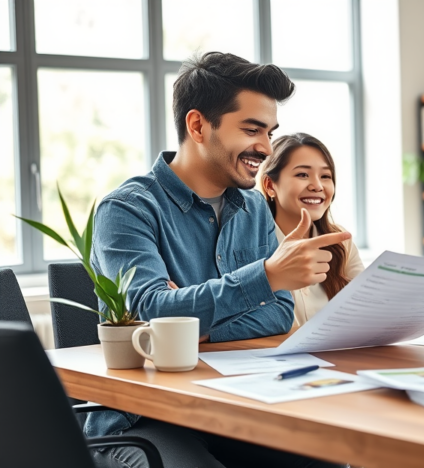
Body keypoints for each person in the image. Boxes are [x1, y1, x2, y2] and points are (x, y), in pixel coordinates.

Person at [88, 52, 348, 468]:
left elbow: (279, 314)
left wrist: (189, 325)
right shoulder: (127, 209)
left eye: (269, 131)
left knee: (323, 458)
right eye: (251, 129)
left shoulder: (253, 208)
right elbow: (149, 317)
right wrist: (264, 278)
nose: (265, 147)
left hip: (230, 399)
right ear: (197, 126)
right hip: (143, 416)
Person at [257, 133, 424, 328]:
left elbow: (381, 305)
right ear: (270, 185)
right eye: (302, 175)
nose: (317, 186)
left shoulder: (339, 242)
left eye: (325, 176)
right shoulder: (247, 242)